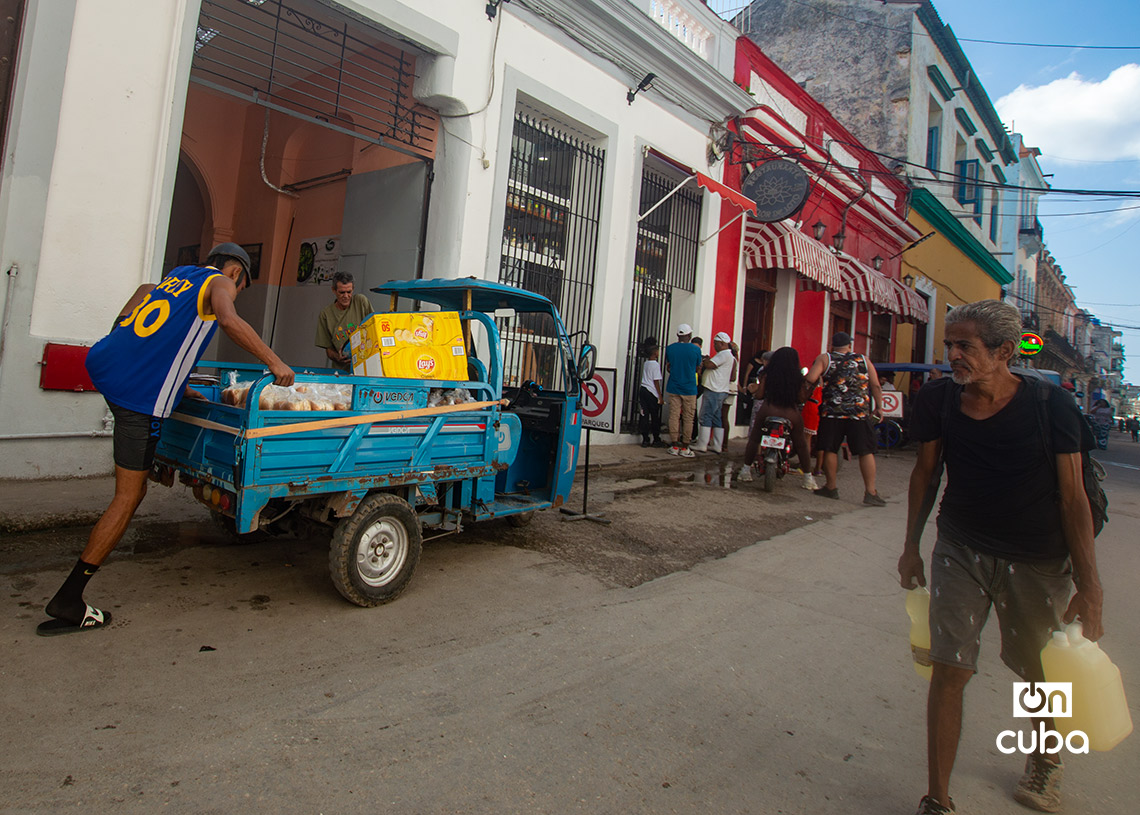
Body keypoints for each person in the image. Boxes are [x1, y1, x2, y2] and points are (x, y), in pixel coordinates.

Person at [898, 300, 1104, 815]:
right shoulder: (941, 401)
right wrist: (911, 547)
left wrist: (1090, 587)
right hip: (960, 547)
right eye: (950, 345)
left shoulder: (1048, 406)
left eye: (964, 346)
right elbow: (926, 474)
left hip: (1036, 558)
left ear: (1004, 352)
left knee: (1036, 671)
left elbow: (1074, 497)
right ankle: (937, 797)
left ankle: (1044, 760)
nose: (953, 356)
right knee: (950, 668)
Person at [37, 244, 295, 636]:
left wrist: (175, 384)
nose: (235, 289)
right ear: (236, 272)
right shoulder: (220, 280)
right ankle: (70, 599)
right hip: (137, 398)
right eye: (241, 284)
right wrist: (275, 362)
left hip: (104, 366)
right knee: (129, 496)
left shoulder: (177, 278)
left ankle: (150, 460)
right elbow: (228, 320)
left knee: (138, 473)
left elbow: (141, 298)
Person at [803, 332, 886, 505]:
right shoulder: (863, 359)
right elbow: (876, 385)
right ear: (849, 345)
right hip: (859, 412)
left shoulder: (825, 358)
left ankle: (831, 487)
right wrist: (879, 406)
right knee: (865, 451)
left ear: (832, 344)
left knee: (830, 448)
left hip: (832, 412)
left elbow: (810, 378)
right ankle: (871, 492)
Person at [737, 347, 816, 489]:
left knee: (755, 439)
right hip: (791, 413)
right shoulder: (798, 377)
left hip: (768, 409)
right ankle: (808, 478)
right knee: (801, 444)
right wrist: (811, 388)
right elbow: (801, 399)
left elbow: (760, 395)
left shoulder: (767, 374)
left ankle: (745, 470)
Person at [315, 271, 374, 371]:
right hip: (342, 371)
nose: (346, 296)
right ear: (334, 290)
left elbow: (373, 328)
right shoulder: (326, 314)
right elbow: (328, 350)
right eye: (342, 292)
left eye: (349, 292)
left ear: (353, 289)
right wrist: (338, 357)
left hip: (365, 367)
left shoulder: (361, 302)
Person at [691, 332, 736, 454]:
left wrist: (705, 359)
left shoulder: (723, 355)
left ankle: (702, 444)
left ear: (722, 343)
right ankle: (717, 445)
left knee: (706, 416)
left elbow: (710, 365)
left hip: (714, 389)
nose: (714, 346)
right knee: (717, 418)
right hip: (721, 390)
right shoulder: (728, 355)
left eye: (715, 344)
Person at [664, 323, 702, 457]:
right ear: (690, 335)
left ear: (678, 335)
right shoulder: (695, 350)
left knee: (674, 416)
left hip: (674, 386)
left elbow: (669, 365)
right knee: (688, 417)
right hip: (690, 387)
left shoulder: (670, 349)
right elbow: (698, 366)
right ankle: (685, 447)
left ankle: (674, 445)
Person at [637, 337, 665, 448]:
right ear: (655, 353)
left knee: (644, 414)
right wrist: (660, 396)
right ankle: (656, 439)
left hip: (643, 389)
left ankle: (645, 439)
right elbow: (656, 381)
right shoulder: (656, 365)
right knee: (654, 416)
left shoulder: (646, 363)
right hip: (652, 392)